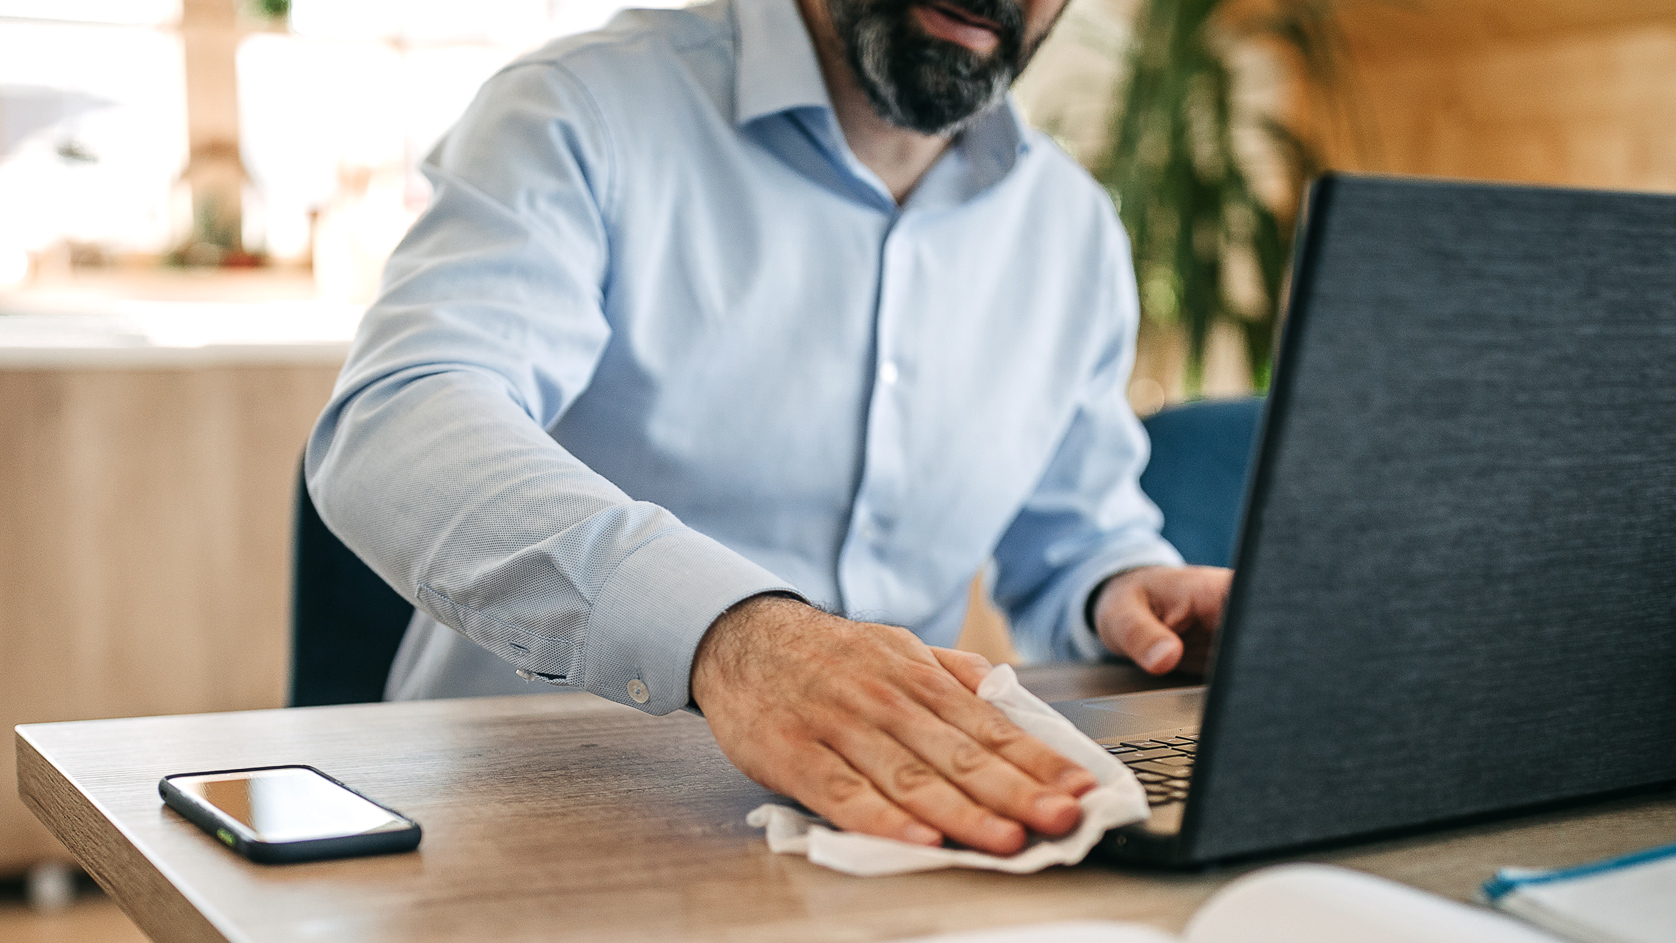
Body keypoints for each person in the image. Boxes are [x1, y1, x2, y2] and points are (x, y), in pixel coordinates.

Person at [306, 0, 1232, 858]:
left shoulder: (1071, 229)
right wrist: (729, 634)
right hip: (531, 832)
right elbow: (400, 415)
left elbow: (1073, 535)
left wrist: (1121, 584)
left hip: (891, 839)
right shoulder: (578, 111)